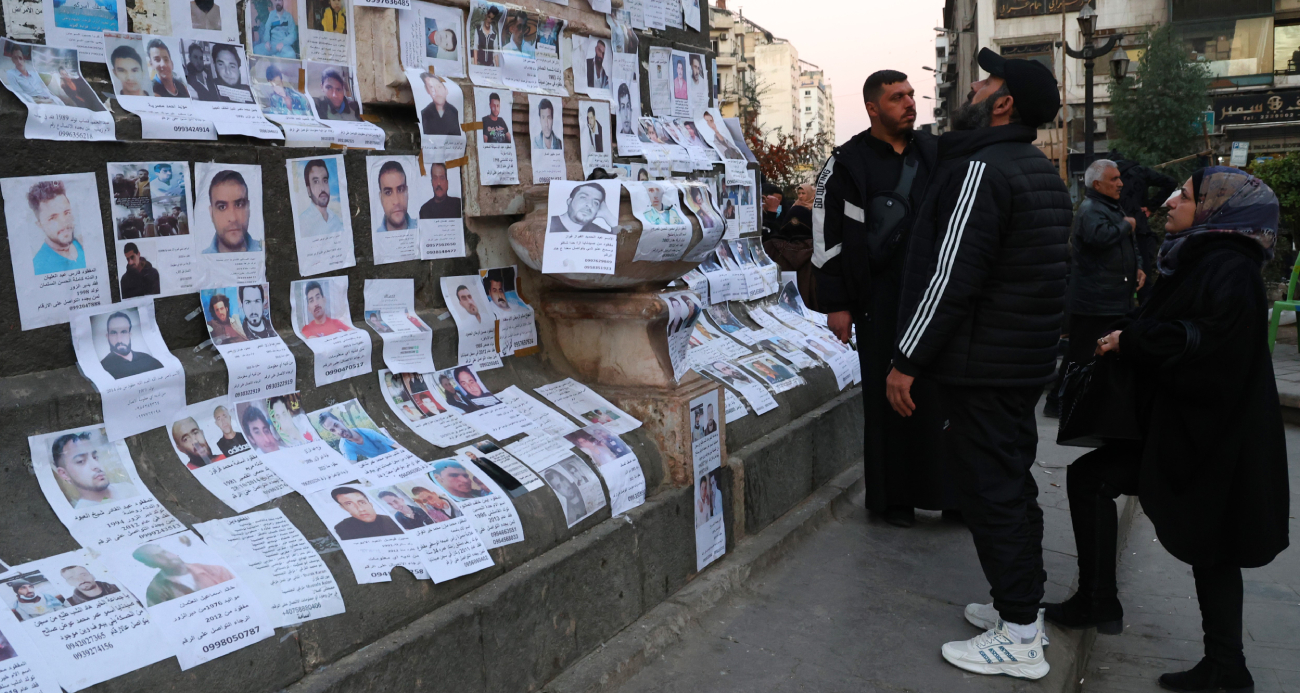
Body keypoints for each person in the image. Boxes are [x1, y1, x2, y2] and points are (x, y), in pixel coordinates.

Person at [1048, 168, 1289, 693]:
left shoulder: (1230, 267)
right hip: (1193, 428)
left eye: (1185, 194)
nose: (1170, 203)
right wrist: (1128, 333)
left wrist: (1132, 343)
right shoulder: (1201, 259)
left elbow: (1207, 340)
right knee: (1098, 482)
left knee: (1213, 543)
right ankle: (1105, 601)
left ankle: (1224, 665)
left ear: (1216, 209)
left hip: (1213, 436)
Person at [883, 48, 1070, 677]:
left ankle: (1018, 633)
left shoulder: (984, 169)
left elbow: (950, 278)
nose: (976, 86)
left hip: (985, 365)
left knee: (992, 491)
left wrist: (907, 358)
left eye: (987, 80)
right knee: (1011, 485)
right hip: (1016, 362)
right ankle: (1020, 610)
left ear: (1004, 102)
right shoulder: (1036, 168)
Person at [810, 69, 951, 528]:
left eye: (911, 95)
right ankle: (895, 500)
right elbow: (826, 234)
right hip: (877, 298)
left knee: (939, 397)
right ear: (873, 107)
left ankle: (951, 495)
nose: (910, 103)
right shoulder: (847, 161)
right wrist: (837, 303)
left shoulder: (935, 153)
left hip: (934, 293)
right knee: (887, 401)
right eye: (897, 97)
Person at [1044, 158, 1143, 418]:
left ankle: (1086, 401)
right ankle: (1057, 401)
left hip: (1111, 297)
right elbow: (1100, 238)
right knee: (1080, 353)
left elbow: (1125, 246)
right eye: (1114, 179)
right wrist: (1127, 225)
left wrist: (1138, 268)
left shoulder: (1111, 207)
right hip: (1094, 300)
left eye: (1120, 178)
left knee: (1098, 352)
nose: (1120, 183)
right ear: (1097, 184)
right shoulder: (1091, 209)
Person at [1113, 153, 1178, 307]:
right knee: (1144, 276)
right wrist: (1151, 205)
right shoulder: (1140, 171)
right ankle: (1145, 313)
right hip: (1139, 226)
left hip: (1115, 226)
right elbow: (1170, 182)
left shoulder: (1110, 176)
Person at [50, 432, 137, 508]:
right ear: (64, 474)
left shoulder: (128, 488)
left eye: (95, 457)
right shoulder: (82, 513)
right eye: (81, 461)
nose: (96, 465)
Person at [133, 544, 234, 606]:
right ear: (150, 565)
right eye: (158, 556)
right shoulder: (155, 591)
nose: (166, 557)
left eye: (164, 552)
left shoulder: (218, 571)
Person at [203, 170, 259, 253]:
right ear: (211, 213)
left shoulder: (266, 251)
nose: (233, 218)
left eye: (239, 205)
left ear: (248, 208)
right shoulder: (199, 261)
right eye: (222, 207)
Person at [100, 311, 165, 379]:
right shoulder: (103, 368)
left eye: (124, 332)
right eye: (113, 333)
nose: (119, 340)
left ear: (130, 334)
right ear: (108, 337)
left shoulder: (148, 359)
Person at [319, 412, 397, 461]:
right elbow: (353, 467)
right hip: (378, 464)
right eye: (333, 430)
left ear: (341, 421)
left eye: (336, 425)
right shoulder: (345, 446)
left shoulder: (366, 432)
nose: (339, 431)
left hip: (392, 454)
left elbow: (393, 443)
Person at [330, 487, 404, 539]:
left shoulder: (393, 520)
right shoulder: (341, 528)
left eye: (362, 502)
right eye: (349, 504)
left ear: (370, 504)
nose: (360, 509)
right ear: (344, 508)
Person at [297, 159, 346, 236]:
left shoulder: (337, 221)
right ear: (308, 190)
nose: (322, 188)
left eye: (325, 180)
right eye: (316, 182)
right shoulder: (301, 224)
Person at [375, 160, 416, 231]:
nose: (396, 201)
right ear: (381, 198)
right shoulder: (373, 239)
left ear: (407, 192)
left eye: (400, 190)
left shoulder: (424, 229)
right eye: (388, 192)